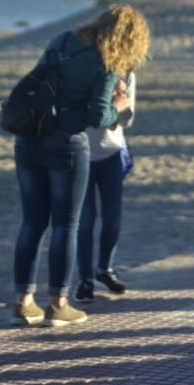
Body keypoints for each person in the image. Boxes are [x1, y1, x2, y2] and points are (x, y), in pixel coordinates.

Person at [11, 4, 149, 328]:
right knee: (65, 225)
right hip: (66, 143)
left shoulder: (62, 40)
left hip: (29, 136)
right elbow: (98, 116)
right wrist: (117, 108)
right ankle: (58, 304)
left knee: (32, 223)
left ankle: (23, 302)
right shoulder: (107, 59)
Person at [73, 72, 138, 304]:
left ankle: (104, 269)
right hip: (82, 152)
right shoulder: (85, 66)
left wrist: (120, 101)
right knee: (86, 218)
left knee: (113, 217)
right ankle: (85, 279)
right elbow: (83, 115)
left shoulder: (127, 74)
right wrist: (102, 101)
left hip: (112, 153)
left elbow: (127, 120)